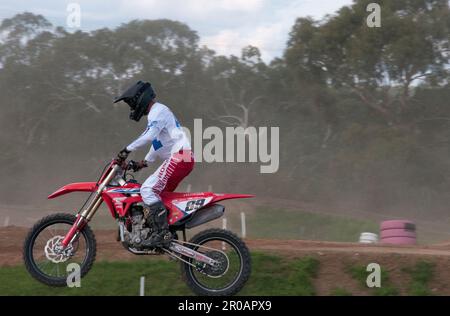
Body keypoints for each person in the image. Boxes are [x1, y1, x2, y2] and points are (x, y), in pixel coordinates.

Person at [114, 81, 194, 248]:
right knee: (159, 196)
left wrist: (126, 150)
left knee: (147, 190)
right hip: (183, 157)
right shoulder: (159, 113)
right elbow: (158, 144)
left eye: (132, 103)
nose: (132, 107)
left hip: (180, 157)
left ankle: (162, 234)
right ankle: (168, 234)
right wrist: (142, 163)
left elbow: (149, 135)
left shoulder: (157, 112)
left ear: (141, 98)